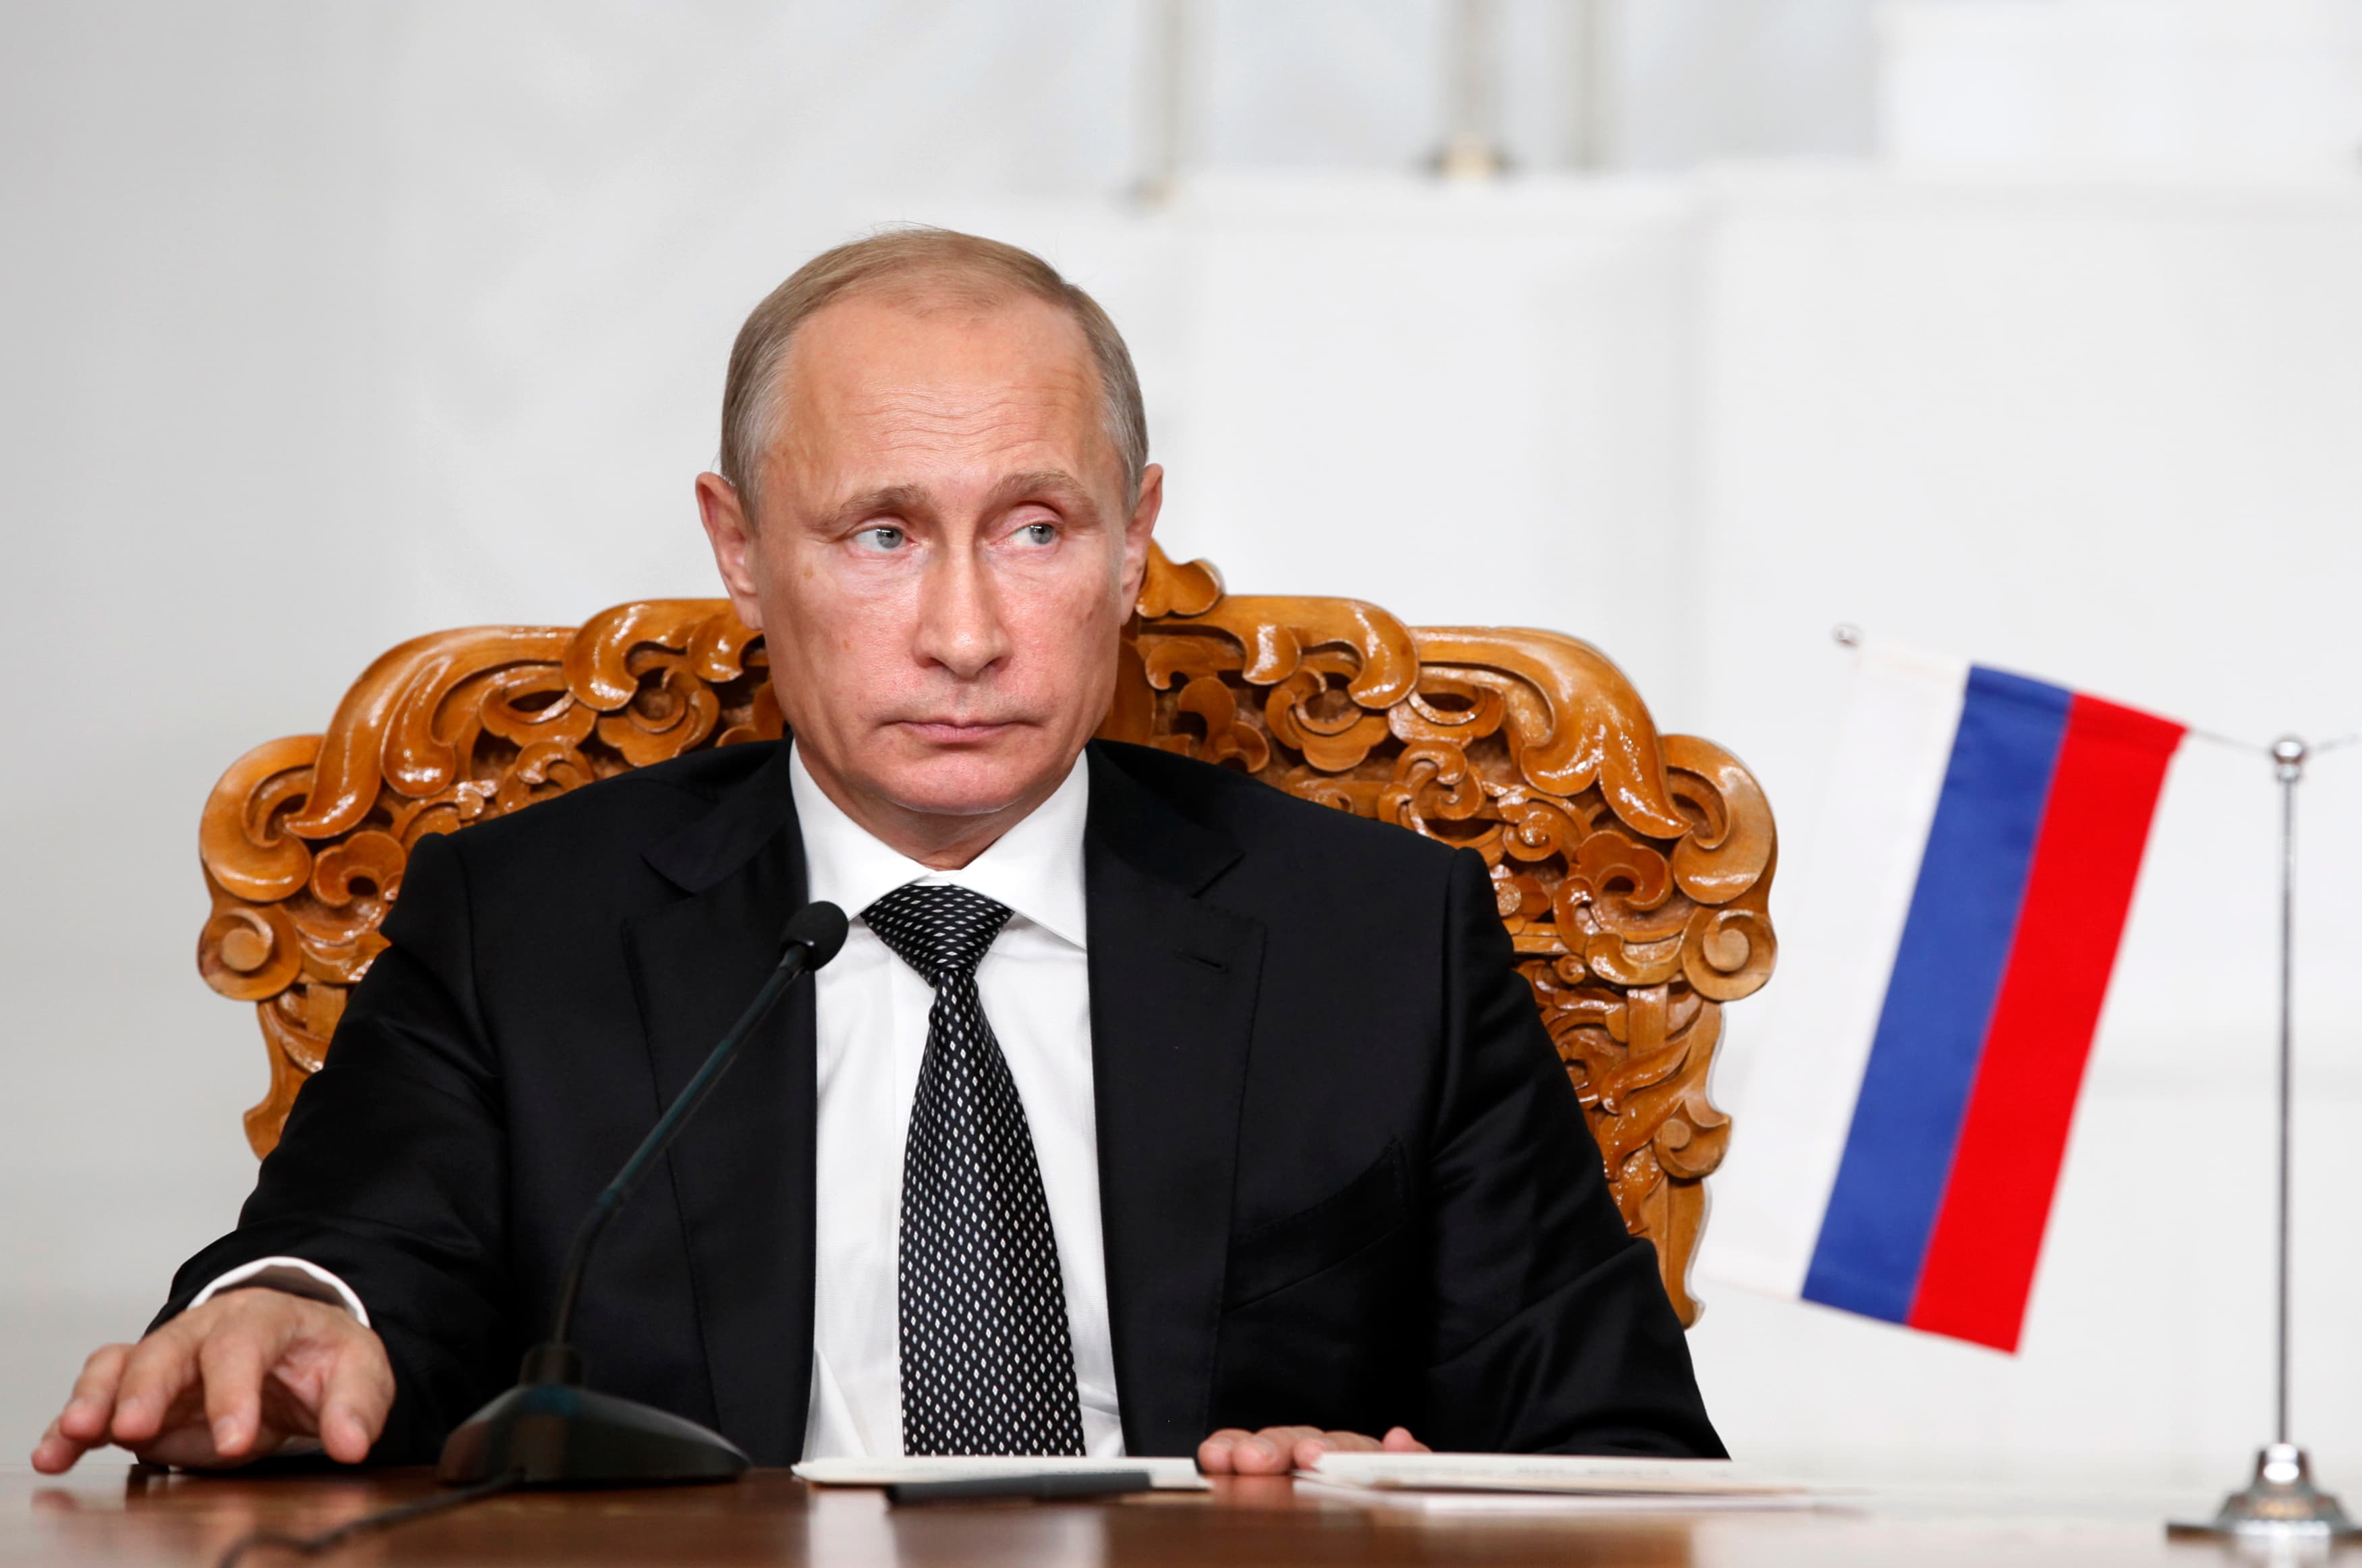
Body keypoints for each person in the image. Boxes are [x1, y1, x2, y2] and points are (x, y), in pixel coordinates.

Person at [33, 229, 1720, 1478]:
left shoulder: (1380, 939)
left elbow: (1625, 1457)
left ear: (1137, 542)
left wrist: (1395, 1499)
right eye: (882, 533)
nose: (967, 631)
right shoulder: (527, 924)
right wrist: (292, 1306)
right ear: (742, 548)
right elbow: (353, 1252)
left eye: (1038, 529)